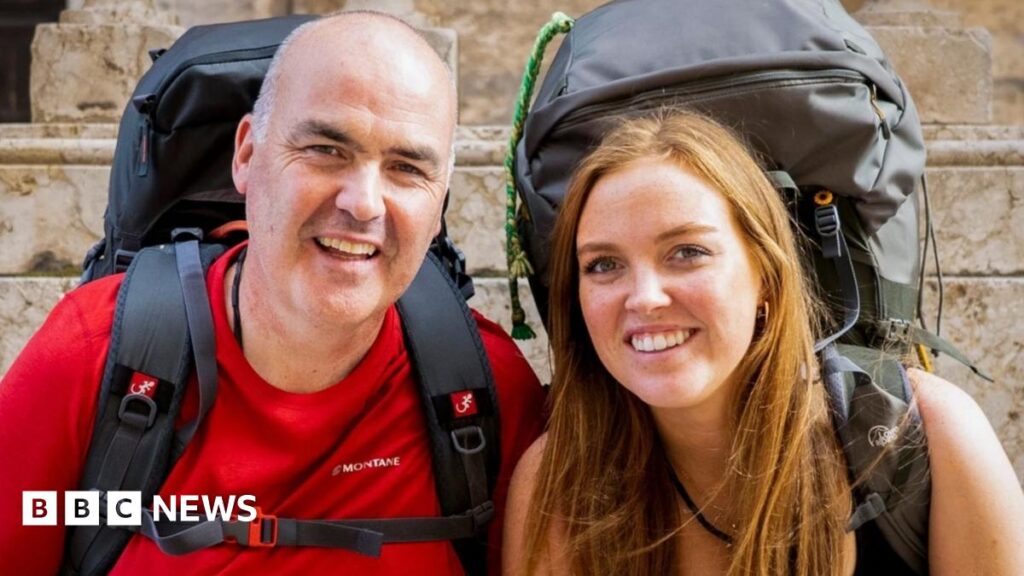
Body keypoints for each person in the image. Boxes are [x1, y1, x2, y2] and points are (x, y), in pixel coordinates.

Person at [0, 12, 545, 575]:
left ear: (438, 208)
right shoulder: (92, 354)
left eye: (406, 168)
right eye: (326, 150)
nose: (364, 203)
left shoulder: (481, 389)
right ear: (247, 155)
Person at [503, 111, 1024, 575]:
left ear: (767, 281)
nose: (644, 297)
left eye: (687, 252)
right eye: (603, 264)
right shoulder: (556, 482)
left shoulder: (926, 434)